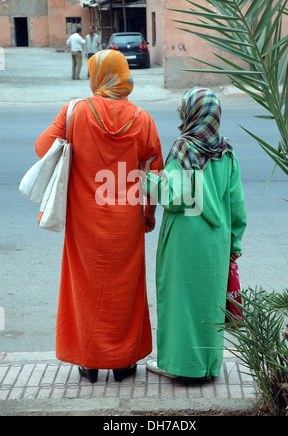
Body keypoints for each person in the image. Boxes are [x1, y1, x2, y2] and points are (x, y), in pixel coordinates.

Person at [35, 50, 163, 383]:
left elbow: (42, 148)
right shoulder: (143, 119)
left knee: (86, 289)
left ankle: (89, 362)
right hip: (127, 224)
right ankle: (122, 363)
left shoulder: (75, 111)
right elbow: (154, 173)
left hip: (84, 223)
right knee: (125, 290)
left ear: (97, 75)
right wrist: (148, 216)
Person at [140, 87, 247, 380]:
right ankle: (209, 367)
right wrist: (235, 241)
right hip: (217, 242)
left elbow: (175, 196)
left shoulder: (184, 148)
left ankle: (181, 367)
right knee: (209, 304)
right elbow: (236, 204)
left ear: (191, 113)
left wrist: (145, 177)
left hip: (186, 241)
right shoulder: (227, 152)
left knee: (181, 303)